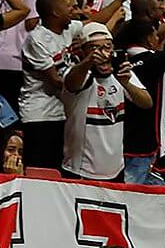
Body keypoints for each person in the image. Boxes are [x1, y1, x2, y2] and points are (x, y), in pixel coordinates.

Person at [61, 21, 149, 181]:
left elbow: (147, 103)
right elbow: (71, 83)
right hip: (81, 171)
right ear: (83, 52)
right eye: (94, 48)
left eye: (107, 47)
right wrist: (88, 62)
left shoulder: (121, 74)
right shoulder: (79, 74)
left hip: (116, 170)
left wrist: (127, 84)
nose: (102, 53)